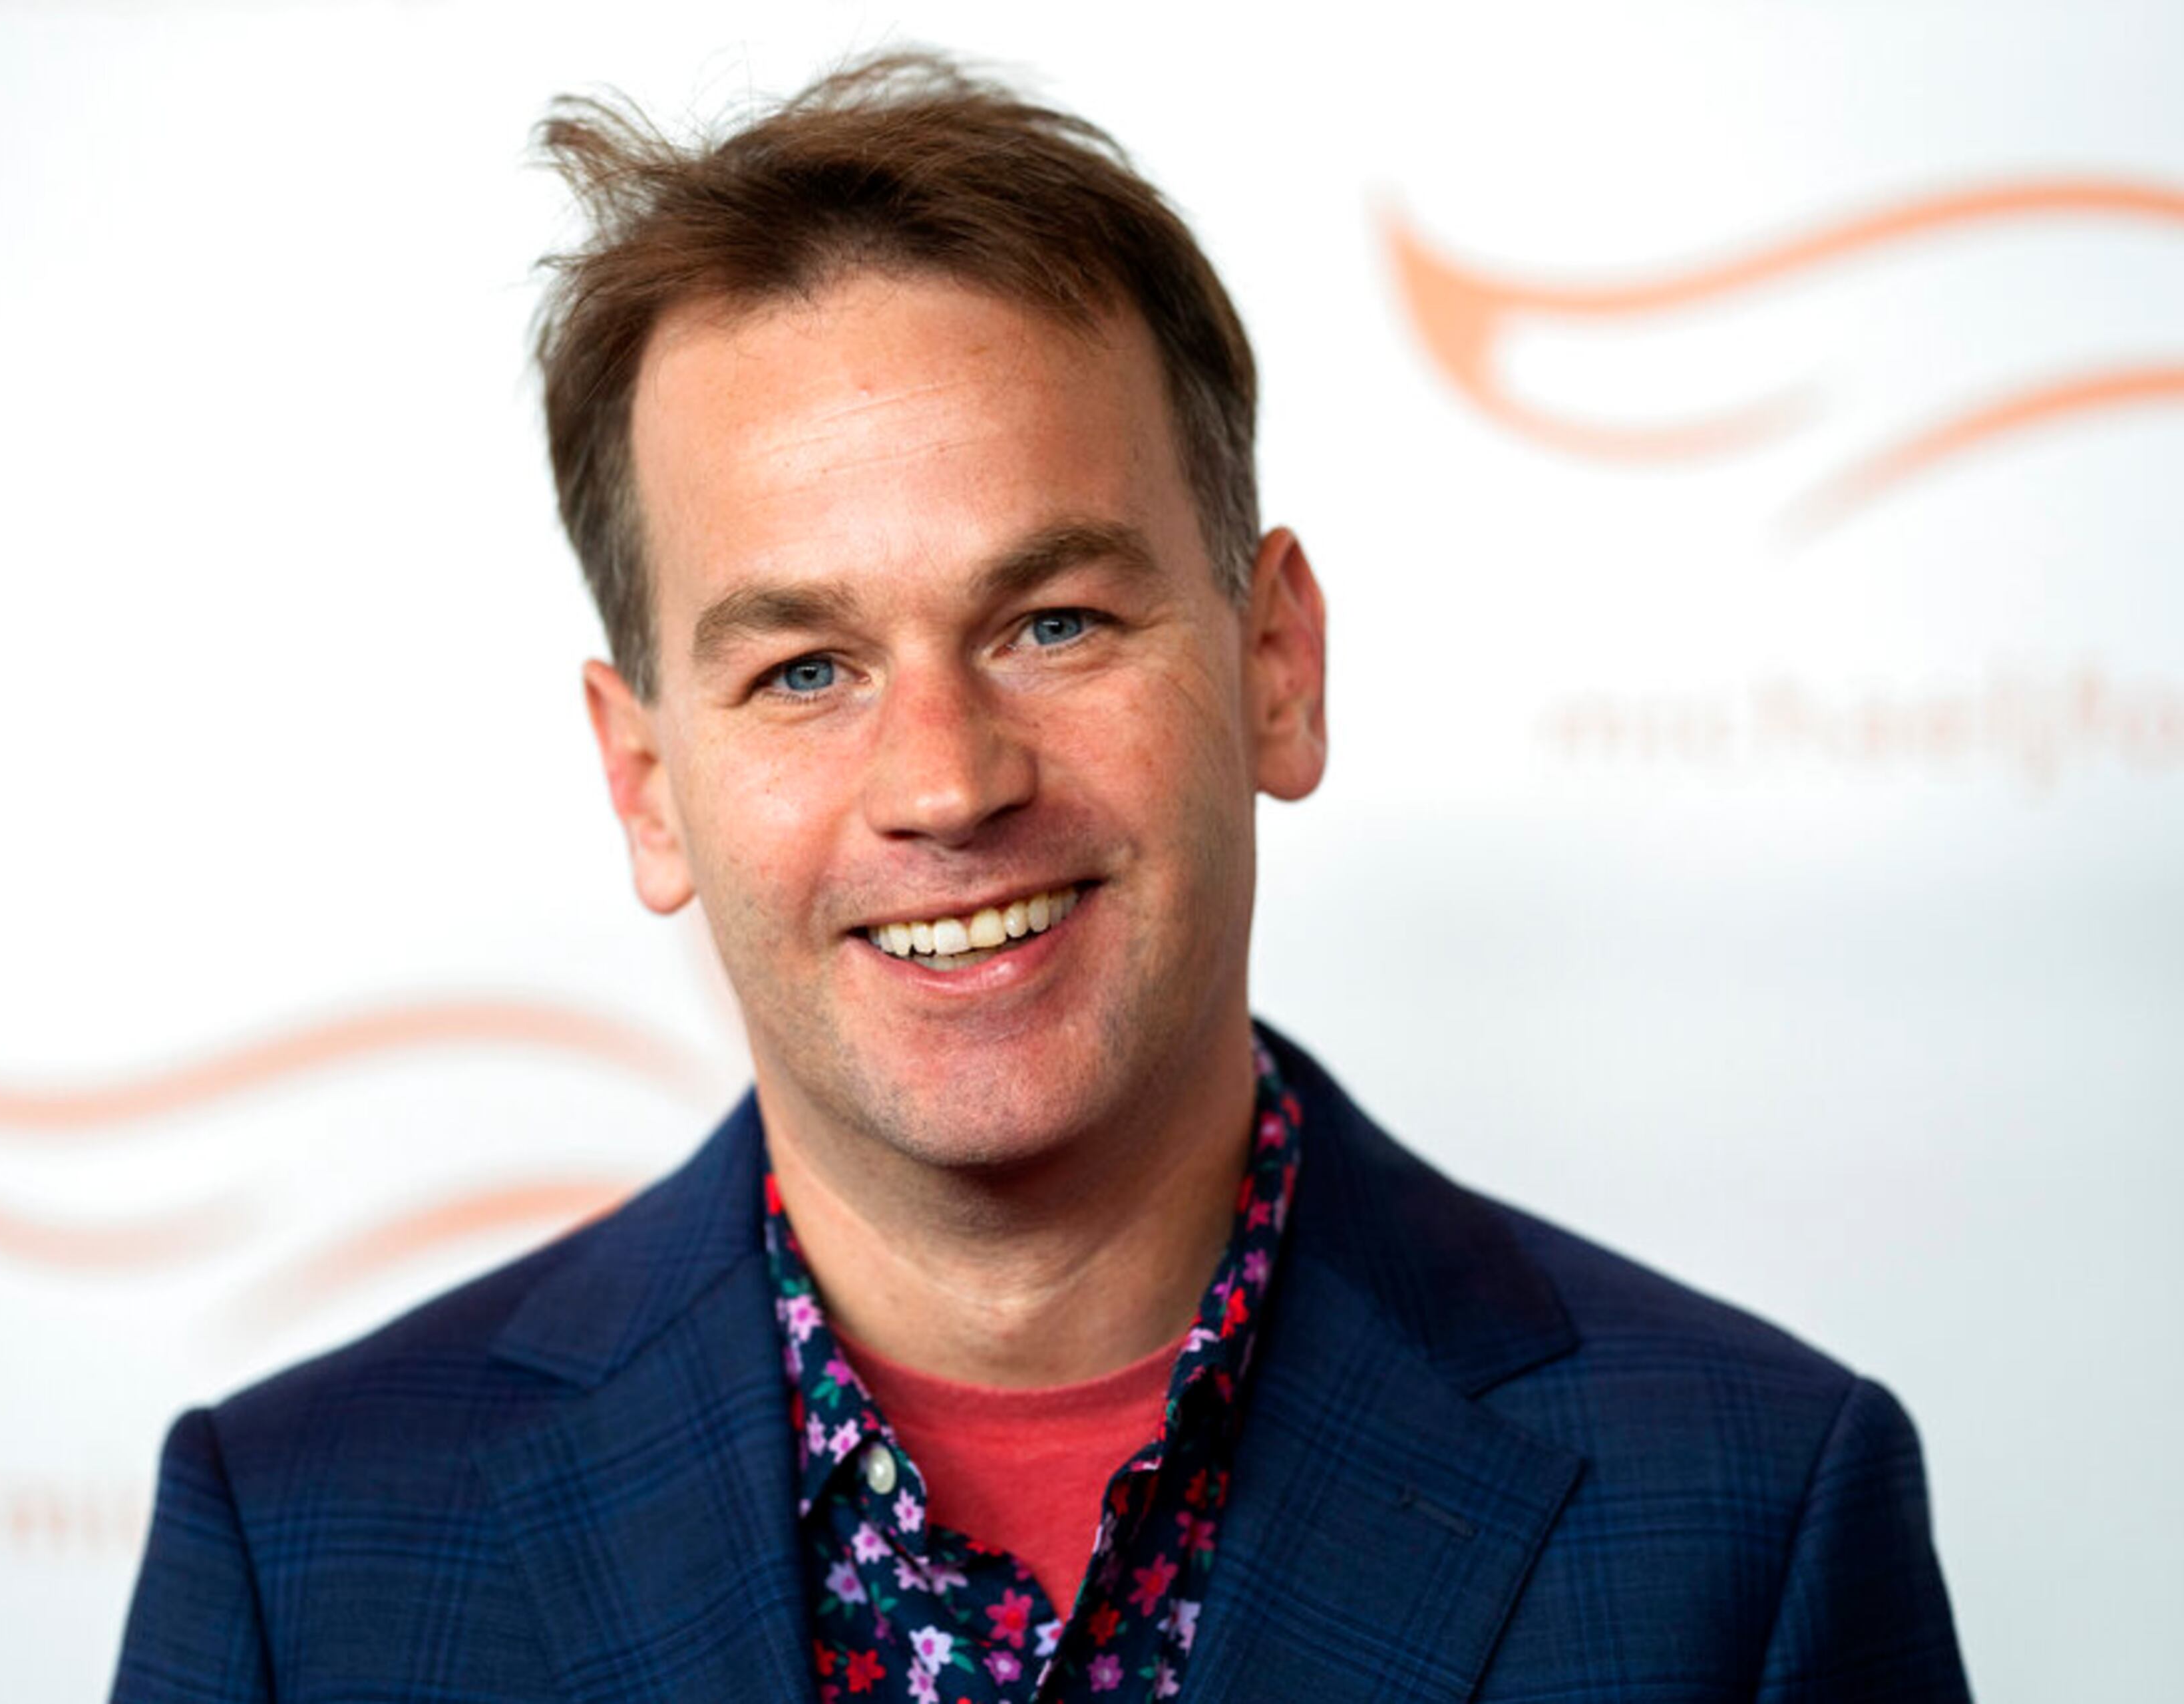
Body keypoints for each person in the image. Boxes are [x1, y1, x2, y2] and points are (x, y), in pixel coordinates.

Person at [111, 54, 1968, 1703]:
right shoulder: (302, 1554)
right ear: (648, 781)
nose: (944, 779)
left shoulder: (1749, 1521)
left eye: (1055, 620)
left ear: (1276, 666)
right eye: (805, 669)